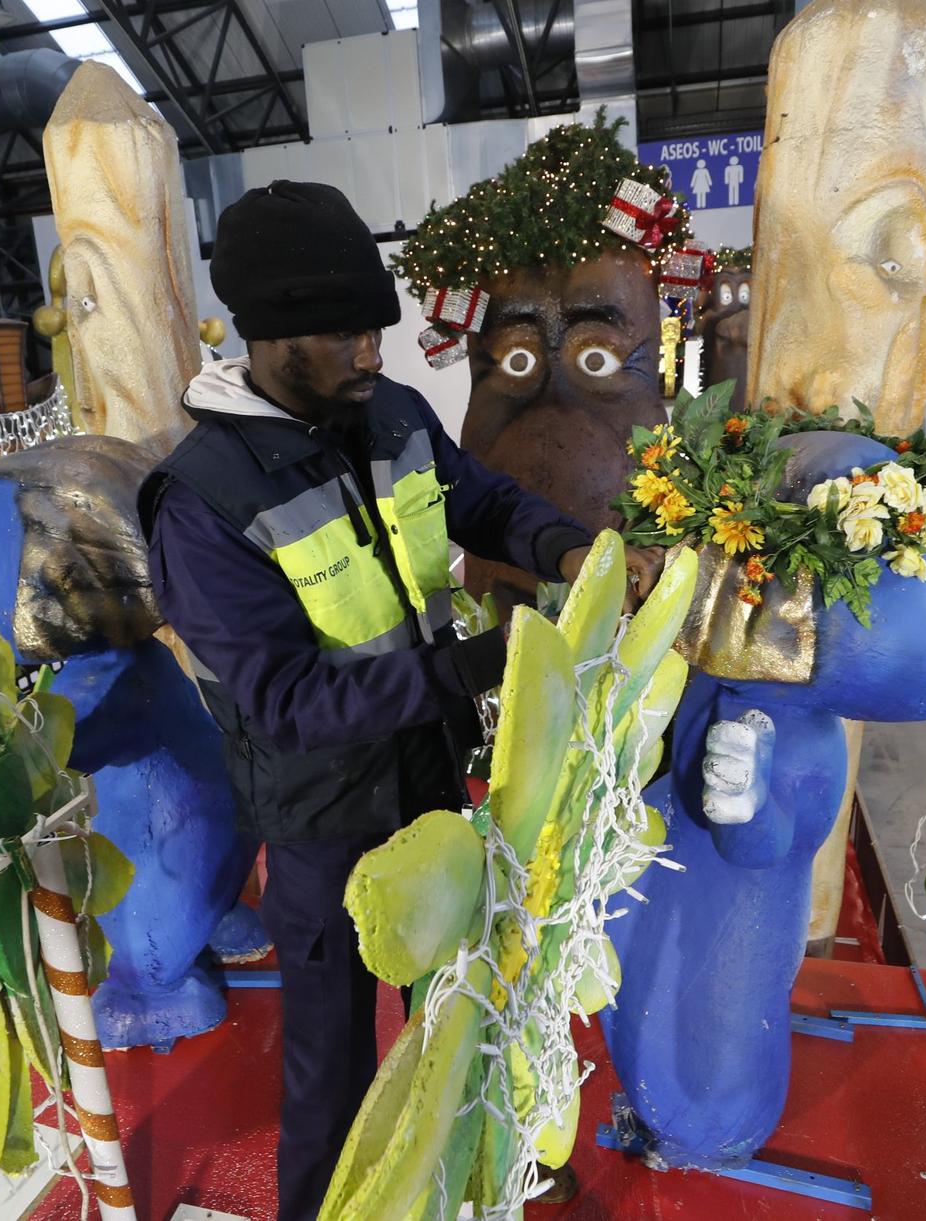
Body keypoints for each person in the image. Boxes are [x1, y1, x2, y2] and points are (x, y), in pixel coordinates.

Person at [139, 180, 662, 1221]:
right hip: (321, 820)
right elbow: (286, 701)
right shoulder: (203, 500)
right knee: (330, 1078)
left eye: (374, 330)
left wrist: (563, 547)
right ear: (269, 337)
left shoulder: (392, 415)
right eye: (344, 335)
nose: (373, 353)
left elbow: (480, 501)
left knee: (458, 1016)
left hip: (431, 782)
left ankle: (467, 1181)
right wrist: (483, 666)